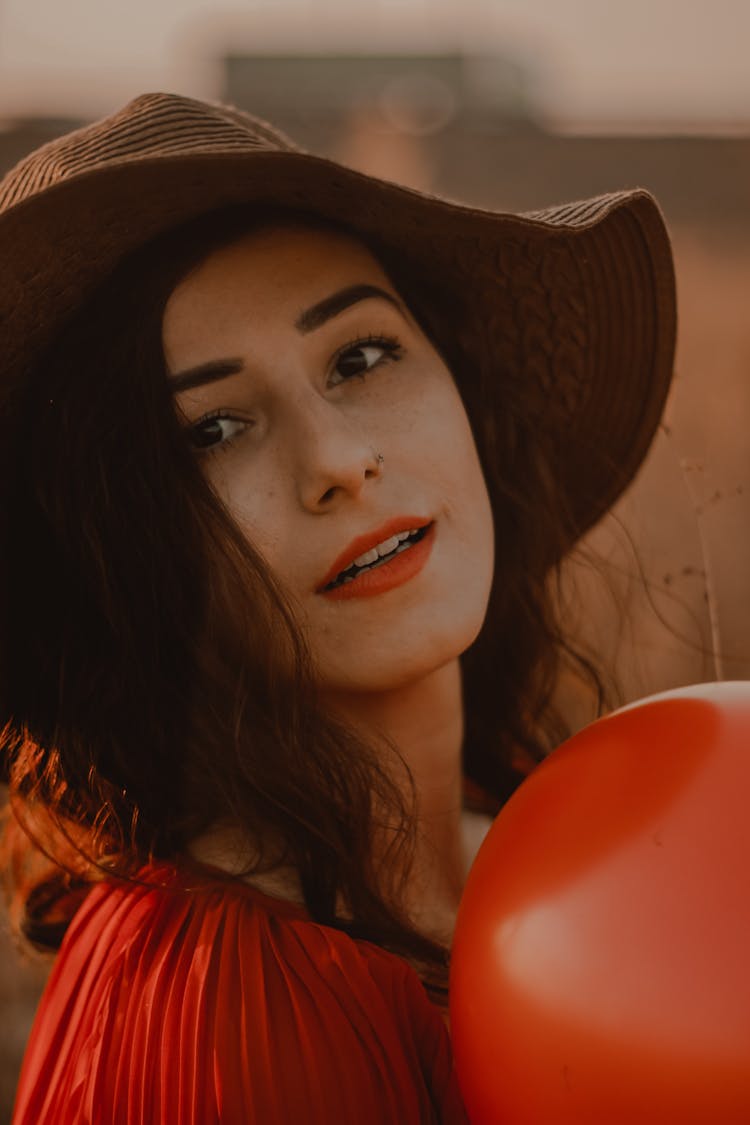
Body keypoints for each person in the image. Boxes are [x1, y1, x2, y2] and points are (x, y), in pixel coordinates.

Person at [0, 92, 676, 1123]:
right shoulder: (228, 1029)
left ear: (467, 393)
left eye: (361, 358)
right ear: (120, 557)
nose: (339, 463)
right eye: (213, 429)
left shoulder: (566, 838)